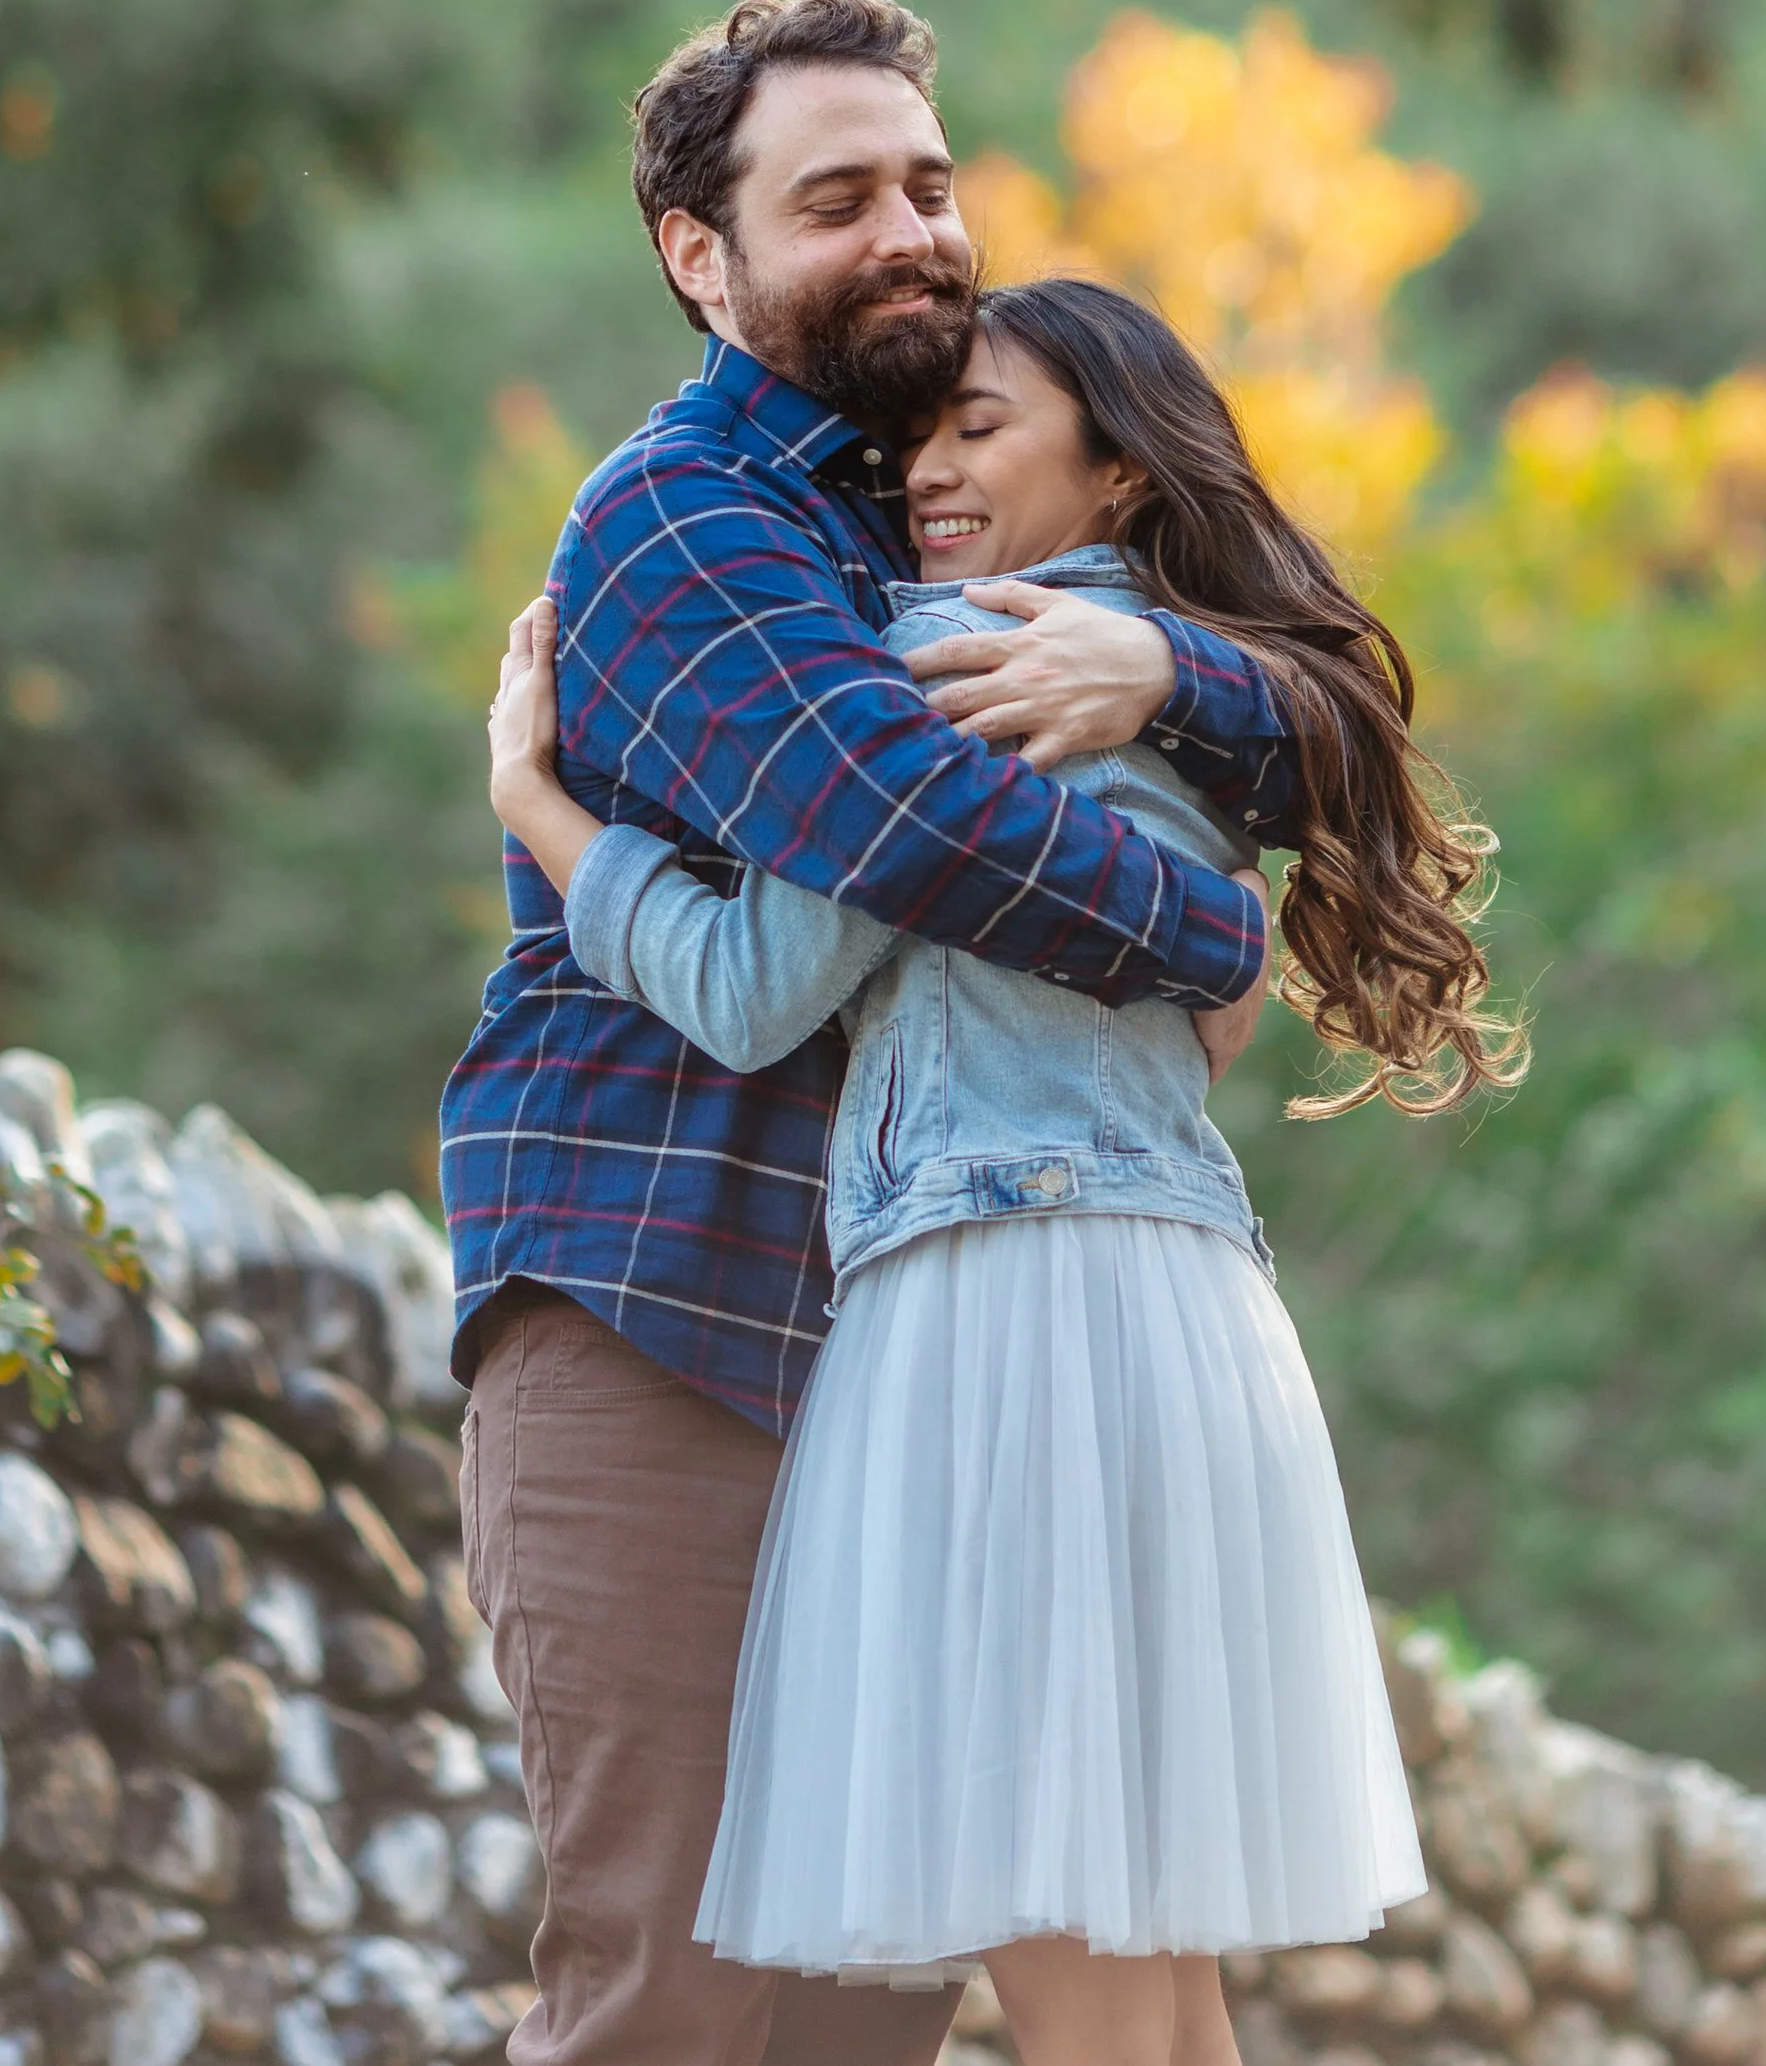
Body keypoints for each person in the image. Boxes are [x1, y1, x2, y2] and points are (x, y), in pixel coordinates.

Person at [489, 272, 1519, 2066]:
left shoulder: (951, 659)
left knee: (1070, 1952)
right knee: (1159, 1998)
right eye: (918, 441)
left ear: (1117, 470)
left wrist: (540, 808)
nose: (930, 477)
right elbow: (1273, 825)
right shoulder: (1179, 692)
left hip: (1011, 1318)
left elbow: (746, 990)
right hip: (1178, 1315)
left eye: (982, 432)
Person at [439, 0, 1301, 2066]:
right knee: (682, 2002)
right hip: (666, 1320)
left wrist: (1170, 680)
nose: (912, 229)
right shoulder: (687, 521)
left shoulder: (941, 505)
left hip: (916, 1354)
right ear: (699, 258)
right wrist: (1203, 930)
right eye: (837, 200)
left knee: (852, 2029)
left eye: (930, 181)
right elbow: (893, 826)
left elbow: (1331, 698)